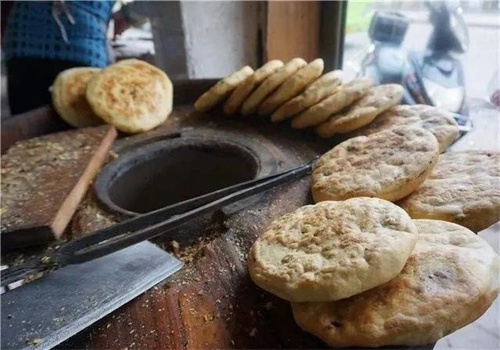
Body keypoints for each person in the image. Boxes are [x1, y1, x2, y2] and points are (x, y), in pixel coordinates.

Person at [2, 1, 124, 115]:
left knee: (29, 128)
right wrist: (128, 16)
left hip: (24, 42)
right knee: (86, 130)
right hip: (87, 47)